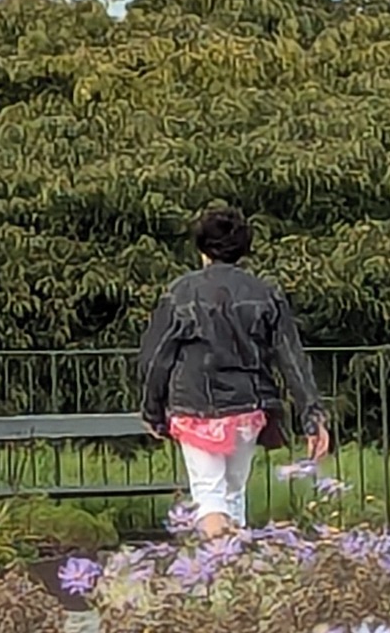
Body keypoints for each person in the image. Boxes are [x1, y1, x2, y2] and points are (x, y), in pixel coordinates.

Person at [138, 204, 330, 541]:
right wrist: (312, 416)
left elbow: (157, 359)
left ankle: (216, 571)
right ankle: (237, 571)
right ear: (242, 247)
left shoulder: (181, 292)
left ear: (201, 248)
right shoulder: (265, 292)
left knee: (208, 494)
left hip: (196, 406)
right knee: (233, 492)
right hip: (248, 407)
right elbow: (292, 359)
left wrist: (153, 411)